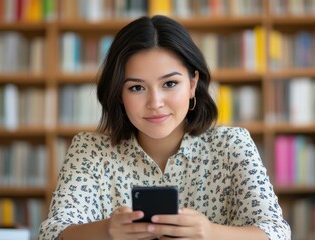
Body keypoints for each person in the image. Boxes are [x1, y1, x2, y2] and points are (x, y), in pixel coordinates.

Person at [39, 15, 291, 240]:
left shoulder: (232, 144)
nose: (155, 103)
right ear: (118, 93)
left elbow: (277, 232)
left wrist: (210, 233)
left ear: (193, 83)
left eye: (170, 84)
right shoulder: (89, 151)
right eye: (136, 87)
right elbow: (52, 233)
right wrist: (106, 232)